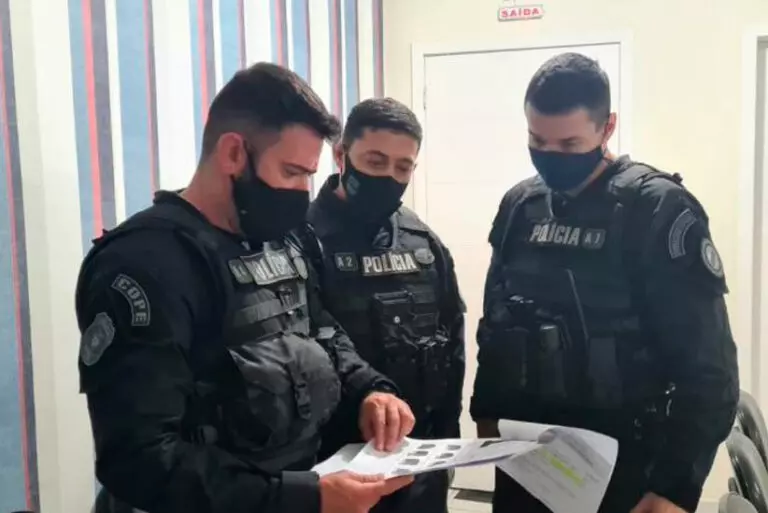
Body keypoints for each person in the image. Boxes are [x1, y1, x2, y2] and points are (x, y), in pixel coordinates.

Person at [76, 62, 416, 513]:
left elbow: (322, 331)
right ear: (234, 153)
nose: (302, 192)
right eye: (291, 172)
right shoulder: (145, 264)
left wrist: (370, 390)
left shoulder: (285, 238)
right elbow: (139, 459)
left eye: (309, 175)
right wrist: (303, 499)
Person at [470, 53, 739, 513]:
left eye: (569, 143)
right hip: (528, 454)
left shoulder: (657, 208)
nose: (551, 155)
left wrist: (675, 487)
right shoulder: (520, 205)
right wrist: (487, 413)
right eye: (537, 140)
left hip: (626, 459)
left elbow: (708, 368)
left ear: (607, 127)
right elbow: (495, 324)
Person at [304, 97, 466, 513]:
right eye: (375, 162)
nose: (389, 177)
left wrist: (448, 442)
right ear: (341, 154)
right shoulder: (300, 239)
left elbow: (452, 344)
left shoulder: (422, 243)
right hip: (336, 463)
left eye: (403, 167)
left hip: (418, 458)